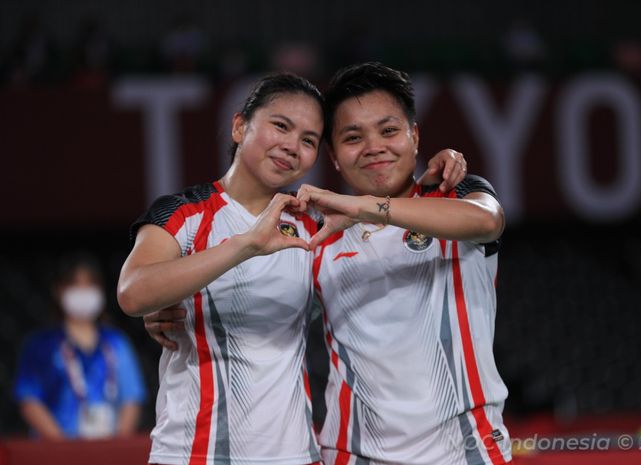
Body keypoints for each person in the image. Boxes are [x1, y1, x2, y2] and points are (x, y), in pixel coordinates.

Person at [121, 70, 466, 465]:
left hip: (297, 455)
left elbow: (390, 242)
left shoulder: (313, 227)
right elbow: (133, 291)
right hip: (189, 453)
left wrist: (433, 171)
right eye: (280, 126)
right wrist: (245, 245)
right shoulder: (184, 212)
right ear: (239, 126)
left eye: (308, 141)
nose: (291, 146)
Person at [295, 62, 512, 465]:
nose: (374, 146)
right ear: (335, 157)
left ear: (415, 137)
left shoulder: (456, 195)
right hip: (353, 454)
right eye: (353, 137)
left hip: (467, 452)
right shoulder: (317, 240)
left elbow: (487, 220)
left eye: (389, 130)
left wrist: (366, 209)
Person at [14, 253, 145, 440]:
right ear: (58, 290)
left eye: (90, 284)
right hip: (55, 452)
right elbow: (29, 400)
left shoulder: (117, 342)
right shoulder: (40, 345)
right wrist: (65, 448)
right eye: (75, 284)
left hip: (108, 451)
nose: (83, 291)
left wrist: (116, 449)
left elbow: (131, 399)